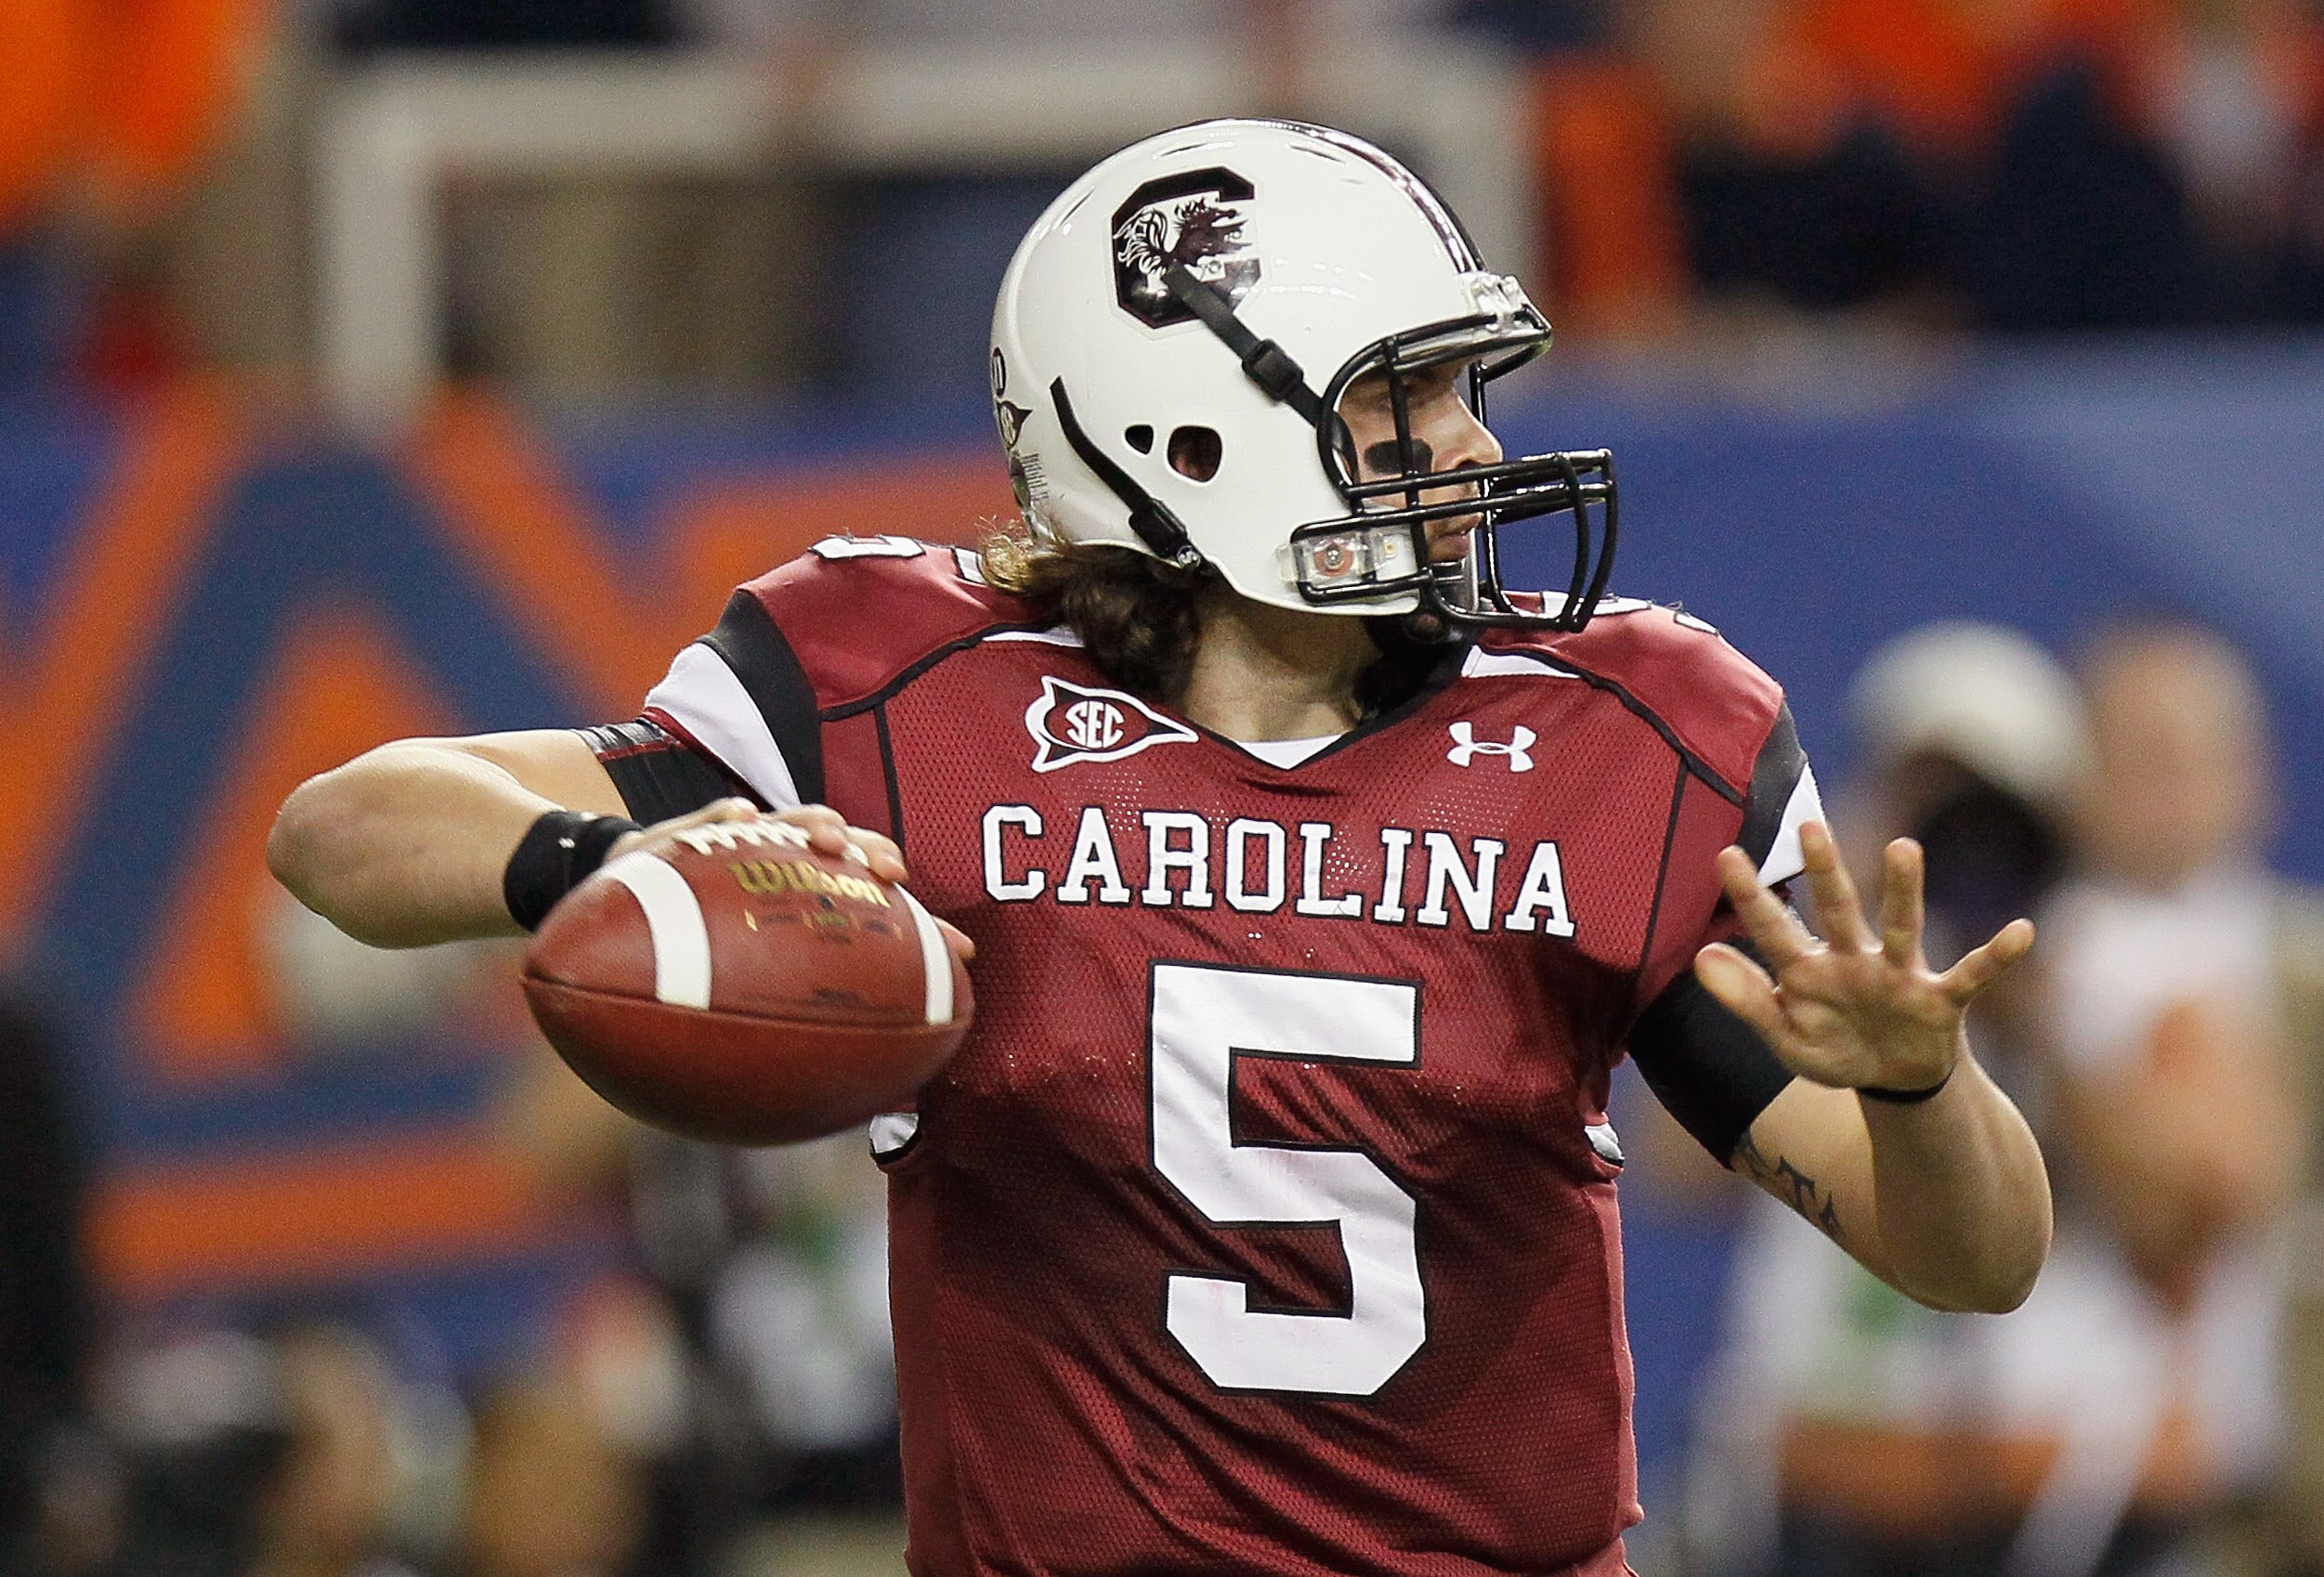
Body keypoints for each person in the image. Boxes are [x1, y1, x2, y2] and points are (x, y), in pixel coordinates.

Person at [269, 119, 2051, 1576]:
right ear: (1182, 435)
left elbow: (1974, 1256)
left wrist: (1919, 1091)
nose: (1469, 446)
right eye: (1401, 401)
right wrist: (626, 868)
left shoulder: (1624, 725)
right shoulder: (911, 688)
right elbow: (343, 831)